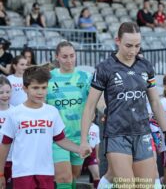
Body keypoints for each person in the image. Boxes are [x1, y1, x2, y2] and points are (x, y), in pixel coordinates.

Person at [80, 22, 166, 188]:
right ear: (118, 41)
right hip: (116, 134)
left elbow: (155, 103)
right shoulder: (105, 68)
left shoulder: (145, 66)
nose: (133, 51)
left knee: (145, 185)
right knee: (127, 185)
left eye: (137, 46)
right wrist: (83, 140)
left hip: (142, 133)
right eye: (128, 45)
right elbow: (90, 106)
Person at [0, 66, 90, 189]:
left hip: (46, 172)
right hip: (22, 173)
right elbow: (5, 145)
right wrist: (0, 174)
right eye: (35, 88)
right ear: (25, 88)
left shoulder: (52, 112)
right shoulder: (14, 113)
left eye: (44, 87)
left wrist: (79, 149)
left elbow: (60, 139)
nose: (40, 92)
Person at [46, 41, 93, 189]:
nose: (69, 60)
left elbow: (96, 102)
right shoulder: (48, 78)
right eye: (65, 56)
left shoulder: (86, 77)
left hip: (81, 137)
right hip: (58, 138)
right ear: (57, 57)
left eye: (72, 56)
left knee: (74, 176)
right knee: (64, 177)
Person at [0, 76, 13, 188]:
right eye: (1, 92)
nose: (5, 95)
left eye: (7, 92)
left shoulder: (17, 112)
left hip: (13, 160)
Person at [82, 113, 100, 189]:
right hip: (81, 152)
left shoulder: (96, 127)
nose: (91, 116)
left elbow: (97, 142)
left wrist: (97, 156)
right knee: (75, 174)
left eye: (93, 115)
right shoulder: (81, 126)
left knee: (96, 175)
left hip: (92, 154)